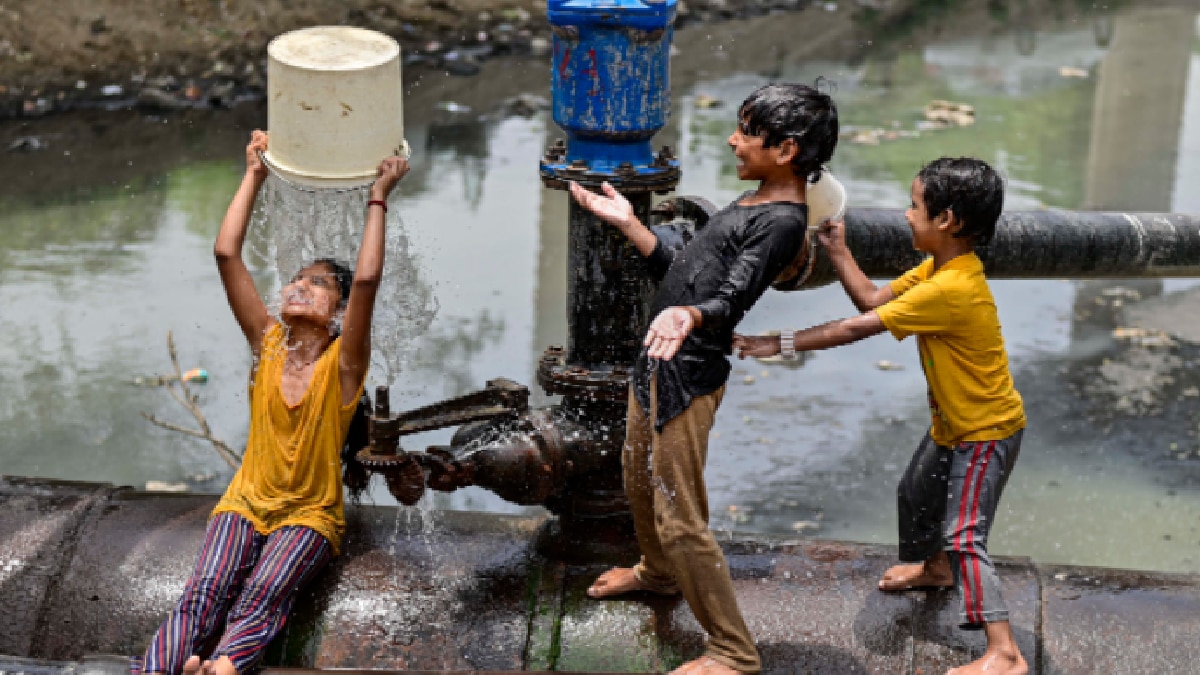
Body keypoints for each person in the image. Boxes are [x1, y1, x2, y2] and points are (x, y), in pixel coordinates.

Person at [570, 83, 838, 675]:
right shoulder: (751, 200)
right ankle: (658, 572)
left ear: (787, 150)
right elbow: (687, 272)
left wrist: (690, 316)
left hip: (687, 375)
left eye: (747, 132)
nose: (733, 140)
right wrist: (631, 226)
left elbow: (729, 297)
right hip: (658, 360)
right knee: (638, 477)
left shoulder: (781, 223)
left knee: (680, 514)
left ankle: (732, 650)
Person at [733, 157, 1027, 675]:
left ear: (947, 220)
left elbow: (855, 328)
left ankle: (1004, 652)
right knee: (915, 493)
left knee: (964, 536)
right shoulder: (939, 269)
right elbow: (871, 300)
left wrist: (776, 342)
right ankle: (935, 569)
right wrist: (838, 251)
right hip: (954, 424)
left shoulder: (951, 289)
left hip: (985, 433)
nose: (906, 215)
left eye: (915, 206)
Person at [136, 130, 409, 675]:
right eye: (295, 279)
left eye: (318, 283)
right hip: (245, 503)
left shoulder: (342, 365)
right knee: (202, 593)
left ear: (338, 313)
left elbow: (367, 281)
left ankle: (223, 667)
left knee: (263, 593)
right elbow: (225, 253)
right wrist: (253, 175)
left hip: (310, 515)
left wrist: (378, 196)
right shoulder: (268, 346)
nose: (299, 286)